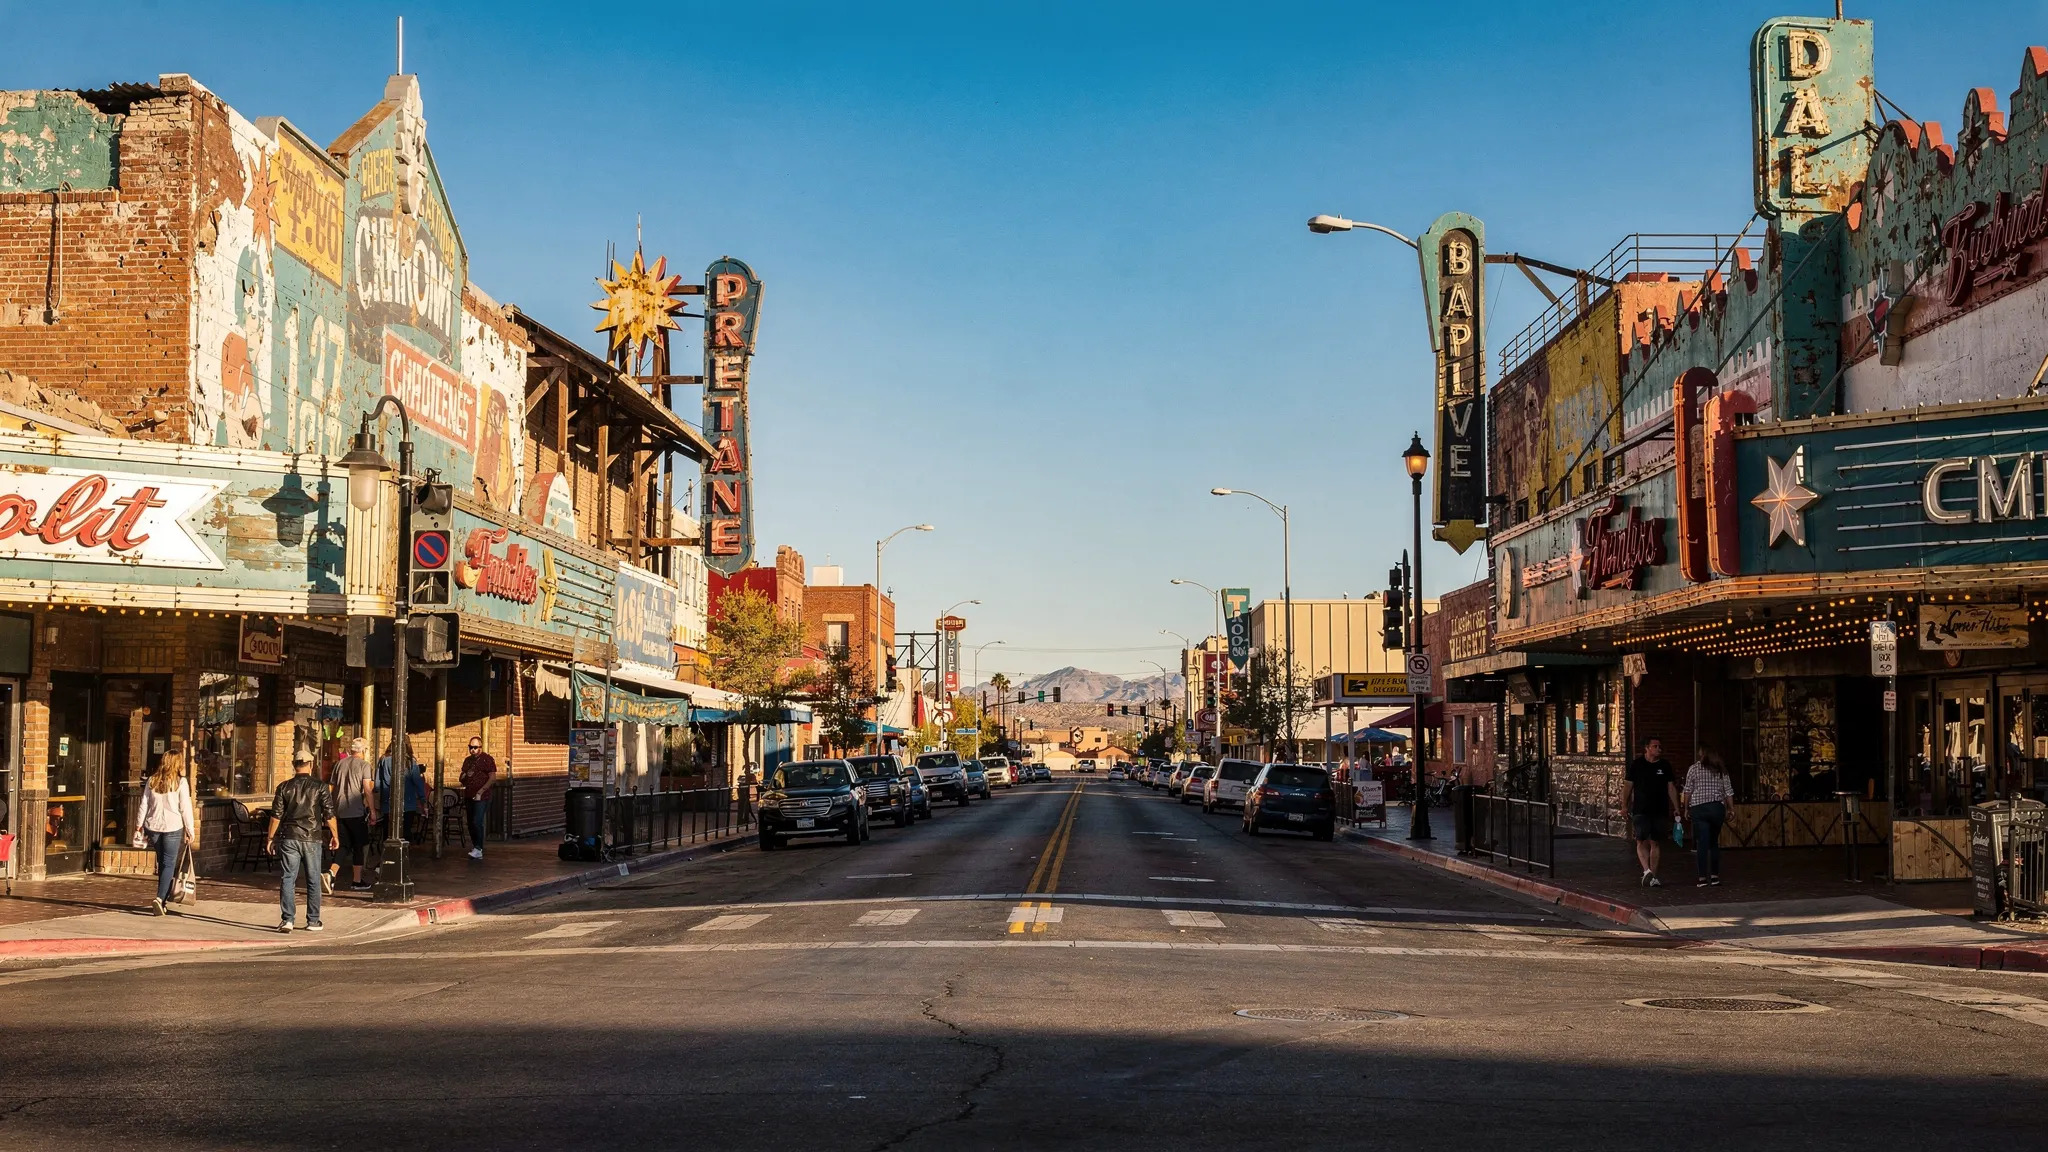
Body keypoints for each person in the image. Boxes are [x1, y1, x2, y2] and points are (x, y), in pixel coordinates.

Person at [266, 749, 339, 933]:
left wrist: (270, 838)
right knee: (313, 879)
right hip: (312, 837)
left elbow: (275, 816)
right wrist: (335, 835)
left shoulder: (284, 787)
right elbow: (329, 814)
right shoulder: (320, 786)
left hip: (289, 836)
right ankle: (313, 921)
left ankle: (288, 919)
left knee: (288, 878)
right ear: (311, 765)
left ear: (294, 765)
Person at [134, 750, 196, 916]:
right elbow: (185, 808)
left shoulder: (152, 780)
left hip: (153, 827)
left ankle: (163, 902)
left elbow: (144, 804)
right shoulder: (180, 782)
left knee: (163, 863)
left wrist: (138, 825)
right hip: (172, 827)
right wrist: (190, 829)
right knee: (168, 864)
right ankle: (160, 899)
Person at [1622, 737, 1680, 887]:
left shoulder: (1665, 765)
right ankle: (1646, 870)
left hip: (1659, 808)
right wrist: (1624, 806)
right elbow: (1628, 786)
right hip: (1641, 809)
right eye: (1655, 746)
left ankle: (1653, 876)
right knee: (1641, 839)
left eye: (1659, 746)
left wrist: (1676, 808)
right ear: (1647, 748)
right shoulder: (1637, 765)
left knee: (1655, 841)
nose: (1658, 749)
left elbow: (1671, 788)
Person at [329, 738, 376, 892]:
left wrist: (328, 809)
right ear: (364, 750)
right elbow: (367, 790)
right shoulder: (364, 766)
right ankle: (356, 880)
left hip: (340, 811)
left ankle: (331, 873)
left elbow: (331, 787)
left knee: (343, 845)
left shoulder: (339, 764)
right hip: (356, 811)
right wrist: (373, 810)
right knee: (359, 846)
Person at [1683, 750, 1735, 887]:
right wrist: (1731, 809)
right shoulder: (1721, 769)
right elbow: (1728, 791)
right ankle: (1715, 876)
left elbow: (1688, 790)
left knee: (1702, 843)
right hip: (1717, 808)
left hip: (1699, 808)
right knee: (1713, 843)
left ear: (1702, 755)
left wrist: (1686, 808)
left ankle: (1702, 878)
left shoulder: (1693, 769)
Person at [458, 737, 497, 861]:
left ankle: (479, 848)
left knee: (477, 820)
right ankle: (476, 846)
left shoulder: (487, 759)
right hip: (469, 794)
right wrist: (464, 776)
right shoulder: (467, 761)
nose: (473, 750)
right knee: (470, 822)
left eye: (475, 747)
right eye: (470, 747)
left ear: (480, 747)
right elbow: (462, 777)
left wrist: (481, 791)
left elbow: (492, 777)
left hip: (482, 796)